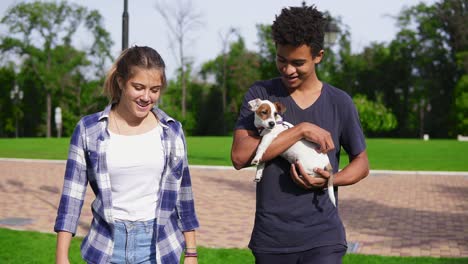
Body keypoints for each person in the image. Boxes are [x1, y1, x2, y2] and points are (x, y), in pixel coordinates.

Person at [231, 5, 369, 264]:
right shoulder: (260, 95)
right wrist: (300, 130)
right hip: (271, 239)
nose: (288, 70)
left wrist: (331, 180)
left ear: (319, 56)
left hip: (324, 238)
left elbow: (362, 163)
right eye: (281, 60)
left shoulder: (340, 102)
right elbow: (240, 157)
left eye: (298, 63)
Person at [54, 46, 199, 264]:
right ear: (121, 82)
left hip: (158, 249)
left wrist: (191, 252)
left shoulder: (172, 131)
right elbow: (71, 198)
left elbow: (184, 195)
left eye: (155, 89)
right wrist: (61, 256)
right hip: (106, 248)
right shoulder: (89, 129)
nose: (147, 97)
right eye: (138, 87)